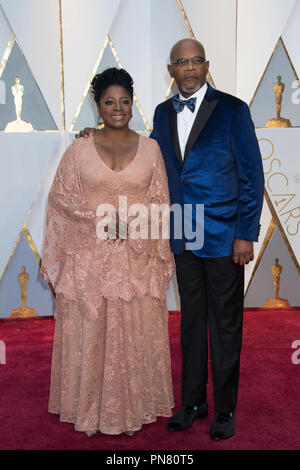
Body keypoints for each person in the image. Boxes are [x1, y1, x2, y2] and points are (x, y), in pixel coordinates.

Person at [77, 38, 265, 441]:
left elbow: (252, 177)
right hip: (180, 235)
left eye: (197, 60)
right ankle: (193, 402)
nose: (190, 67)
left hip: (225, 235)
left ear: (206, 64)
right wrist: (95, 137)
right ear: (171, 69)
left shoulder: (233, 110)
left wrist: (245, 235)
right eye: (182, 61)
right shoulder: (162, 114)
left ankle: (225, 408)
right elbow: (142, 153)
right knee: (191, 324)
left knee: (225, 325)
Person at [41, 67, 174, 438]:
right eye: (109, 102)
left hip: (136, 258)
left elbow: (161, 202)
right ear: (97, 106)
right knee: (94, 329)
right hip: (89, 259)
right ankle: (88, 408)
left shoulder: (151, 148)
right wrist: (101, 219)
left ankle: (136, 405)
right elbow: (61, 200)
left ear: (133, 104)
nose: (118, 108)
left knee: (133, 330)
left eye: (125, 101)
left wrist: (131, 224)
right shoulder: (79, 149)